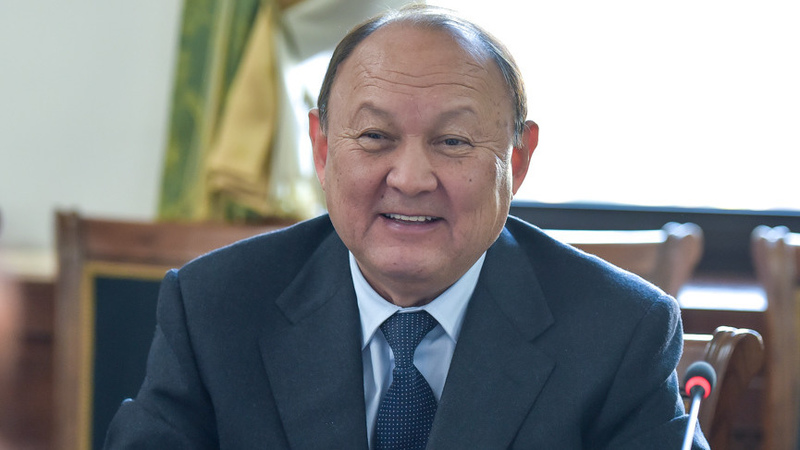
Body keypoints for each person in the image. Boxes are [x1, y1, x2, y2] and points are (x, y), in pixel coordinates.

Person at [105, 5, 709, 449]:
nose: (412, 178)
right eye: (375, 136)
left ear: (517, 160)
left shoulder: (619, 331)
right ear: (322, 148)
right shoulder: (215, 306)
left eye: (453, 141)